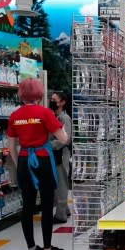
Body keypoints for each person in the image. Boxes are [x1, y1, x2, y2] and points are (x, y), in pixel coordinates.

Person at [7, 78, 69, 250]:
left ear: (21, 94)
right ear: (39, 93)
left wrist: (19, 165)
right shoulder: (45, 113)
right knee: (47, 204)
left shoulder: (14, 116)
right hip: (42, 160)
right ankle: (48, 249)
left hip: (25, 160)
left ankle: (32, 247)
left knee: (27, 205)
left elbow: (11, 147)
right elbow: (64, 139)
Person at [50, 91, 72, 224]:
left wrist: (48, 145)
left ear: (62, 102)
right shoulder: (55, 116)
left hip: (62, 154)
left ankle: (60, 215)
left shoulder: (64, 118)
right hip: (57, 154)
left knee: (62, 184)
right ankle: (65, 210)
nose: (51, 102)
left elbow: (66, 139)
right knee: (59, 182)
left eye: (54, 99)